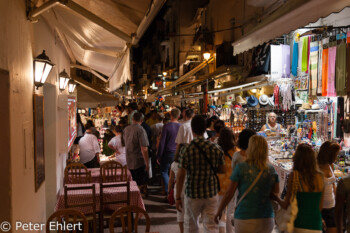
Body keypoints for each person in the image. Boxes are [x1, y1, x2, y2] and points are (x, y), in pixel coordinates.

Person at [215, 135, 279, 233]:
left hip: (244, 216)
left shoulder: (241, 168)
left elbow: (229, 193)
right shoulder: (271, 169)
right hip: (266, 217)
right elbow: (275, 193)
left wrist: (219, 210)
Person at [176, 115, 225, 233]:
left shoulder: (186, 149)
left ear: (192, 129)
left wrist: (178, 196)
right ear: (205, 129)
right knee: (211, 226)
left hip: (192, 193)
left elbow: (181, 174)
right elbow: (222, 170)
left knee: (191, 226)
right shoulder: (216, 148)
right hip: (211, 193)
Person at [274, 144, 324, 233]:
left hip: (298, 224)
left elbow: (286, 205)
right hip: (316, 224)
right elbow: (320, 207)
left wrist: (275, 198)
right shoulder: (320, 177)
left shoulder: (295, 176)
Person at [123, 112, 150, 194]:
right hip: (139, 160)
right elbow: (144, 148)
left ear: (132, 119)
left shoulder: (126, 129)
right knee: (139, 183)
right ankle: (138, 202)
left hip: (129, 159)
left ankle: (134, 200)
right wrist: (147, 163)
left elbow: (125, 143)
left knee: (132, 181)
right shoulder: (141, 129)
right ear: (141, 120)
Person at [157, 108, 181, 196]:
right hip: (178, 153)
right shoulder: (181, 126)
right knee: (175, 173)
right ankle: (174, 191)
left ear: (170, 115)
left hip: (168, 153)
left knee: (164, 171)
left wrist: (159, 155)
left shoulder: (166, 126)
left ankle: (168, 190)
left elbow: (162, 142)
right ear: (179, 116)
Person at [217, 127, 237, 233]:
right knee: (230, 214)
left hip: (219, 186)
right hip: (232, 187)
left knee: (220, 213)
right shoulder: (236, 152)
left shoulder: (216, 150)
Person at [317, 141, 340, 233]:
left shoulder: (330, 165)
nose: (337, 157)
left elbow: (333, 185)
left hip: (332, 207)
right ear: (330, 155)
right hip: (321, 209)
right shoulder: (317, 168)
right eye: (336, 155)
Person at [169, 148, 186, 233]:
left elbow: (171, 179)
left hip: (178, 191)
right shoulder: (190, 163)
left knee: (180, 214)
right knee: (189, 214)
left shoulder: (173, 164)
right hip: (188, 191)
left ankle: (182, 231)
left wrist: (168, 191)